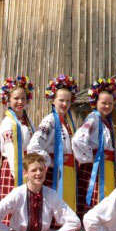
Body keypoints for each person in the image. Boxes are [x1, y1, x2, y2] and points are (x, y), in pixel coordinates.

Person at [72, 78, 116, 216]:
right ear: (95, 103)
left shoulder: (106, 120)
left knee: (106, 198)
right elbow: (78, 139)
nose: (107, 106)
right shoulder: (93, 118)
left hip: (106, 166)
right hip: (96, 168)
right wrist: (92, 156)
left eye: (110, 103)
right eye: (103, 103)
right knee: (97, 201)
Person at [27, 74, 79, 211]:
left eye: (68, 101)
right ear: (53, 101)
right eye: (61, 100)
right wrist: (49, 160)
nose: (65, 104)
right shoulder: (49, 121)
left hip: (66, 173)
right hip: (56, 174)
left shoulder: (68, 122)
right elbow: (34, 146)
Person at [0, 76, 36, 201]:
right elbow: (11, 151)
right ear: (8, 100)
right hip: (14, 168)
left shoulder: (28, 122)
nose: (20, 102)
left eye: (23, 98)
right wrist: (21, 174)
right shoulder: (8, 123)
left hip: (27, 167)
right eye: (16, 98)